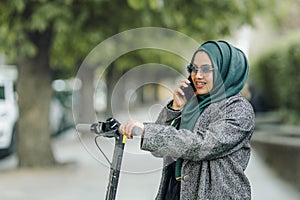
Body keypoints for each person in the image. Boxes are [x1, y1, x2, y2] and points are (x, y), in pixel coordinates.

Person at [119, 40, 255, 200]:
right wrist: (175, 107)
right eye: (193, 69)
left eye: (206, 69)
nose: (197, 76)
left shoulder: (238, 109)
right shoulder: (192, 104)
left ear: (225, 70)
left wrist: (146, 130)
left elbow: (201, 145)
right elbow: (158, 148)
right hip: (177, 192)